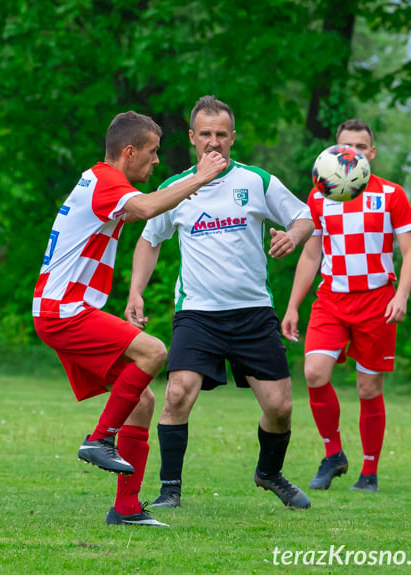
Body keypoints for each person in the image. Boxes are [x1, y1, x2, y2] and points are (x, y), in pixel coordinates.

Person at [33, 111, 228, 527]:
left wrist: (179, 191)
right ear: (129, 152)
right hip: (64, 311)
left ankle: (126, 509)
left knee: (142, 399)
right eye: (153, 152)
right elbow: (143, 209)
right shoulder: (105, 181)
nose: (156, 161)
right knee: (155, 352)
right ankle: (99, 438)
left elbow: (146, 205)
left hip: (62, 309)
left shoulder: (101, 180)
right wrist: (199, 177)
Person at [125, 95, 314, 510]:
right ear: (193, 138)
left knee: (280, 407)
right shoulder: (174, 188)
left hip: (253, 314)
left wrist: (291, 237)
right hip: (198, 314)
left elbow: (304, 217)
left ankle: (269, 473)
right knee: (177, 394)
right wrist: (136, 290)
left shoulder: (256, 181)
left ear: (233, 138)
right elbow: (149, 240)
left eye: (221, 135)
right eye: (205, 134)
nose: (213, 142)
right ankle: (169, 489)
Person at [281, 119, 411, 493]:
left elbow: (409, 251)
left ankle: (369, 473)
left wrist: (401, 295)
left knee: (368, 388)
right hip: (331, 300)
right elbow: (311, 255)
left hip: (377, 301)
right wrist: (293, 306)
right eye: (347, 146)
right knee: (314, 373)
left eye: (361, 146)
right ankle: (333, 455)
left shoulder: (391, 194)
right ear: (333, 152)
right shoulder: (319, 195)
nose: (354, 153)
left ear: (371, 153)